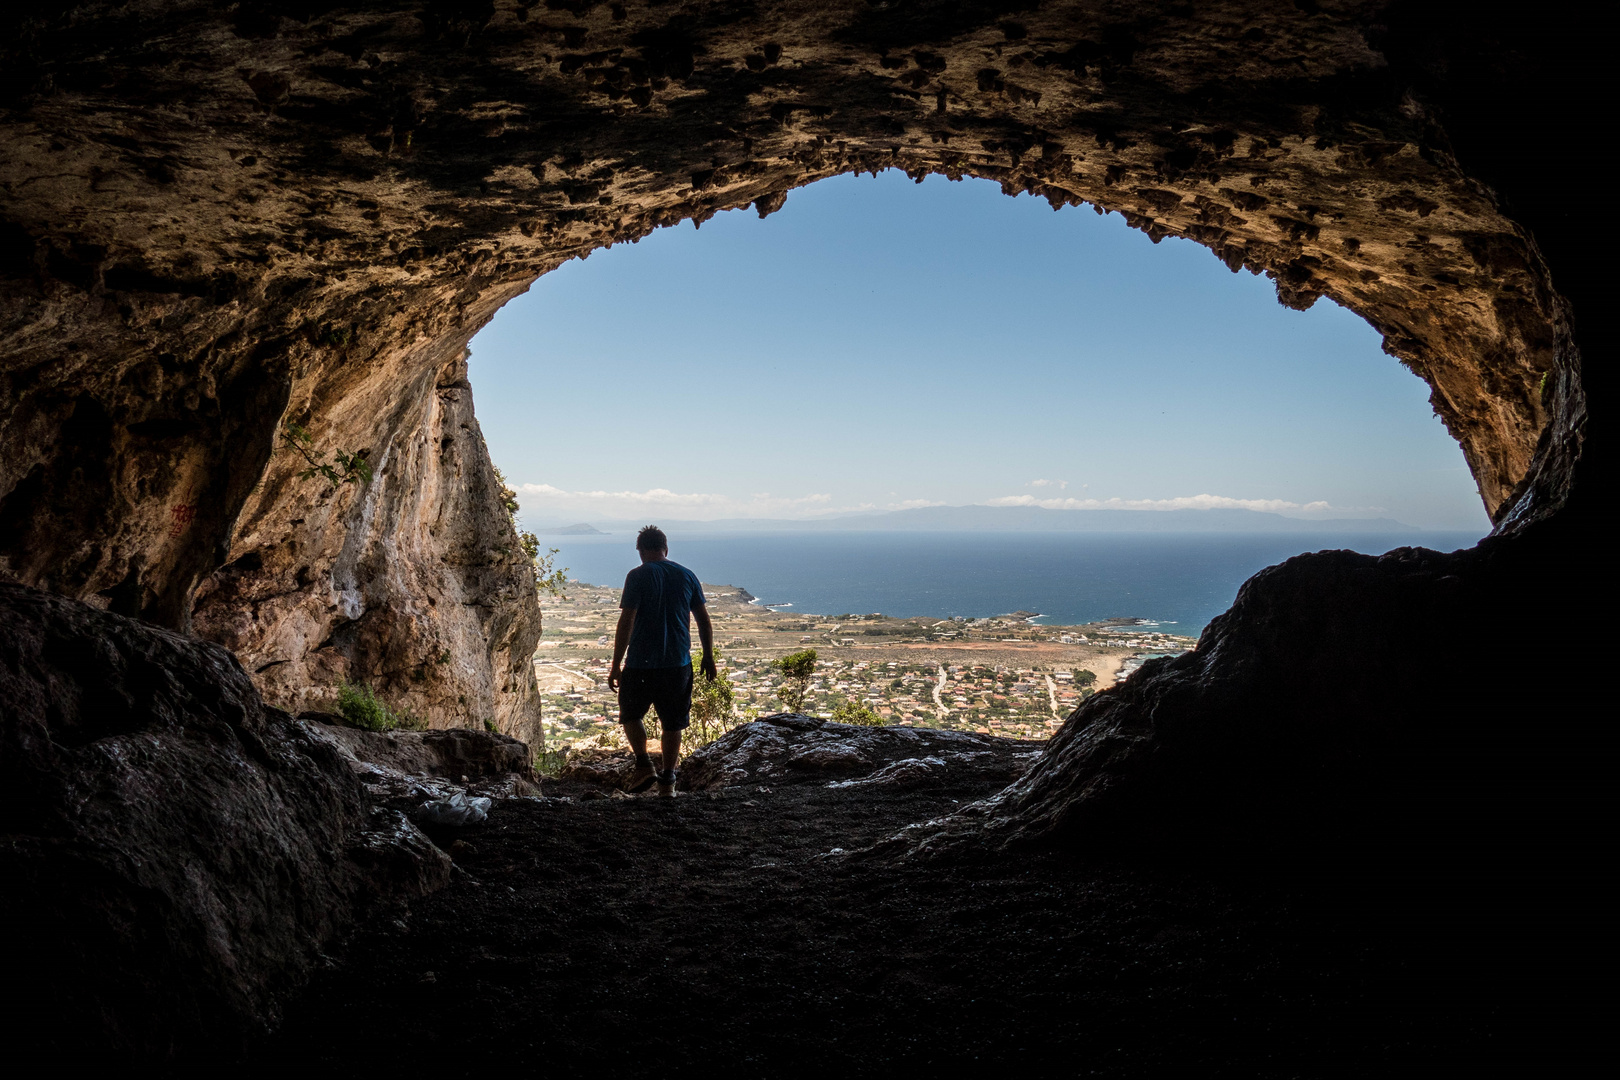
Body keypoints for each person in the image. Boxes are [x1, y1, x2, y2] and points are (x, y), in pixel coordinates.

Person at [607, 525, 716, 796]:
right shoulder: (687, 575)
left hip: (640, 663)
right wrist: (709, 656)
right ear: (665, 548)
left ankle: (644, 765)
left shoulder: (637, 575)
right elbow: (703, 619)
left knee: (630, 715)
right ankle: (668, 783)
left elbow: (626, 622)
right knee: (673, 722)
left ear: (641, 550)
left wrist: (615, 664)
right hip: (678, 664)